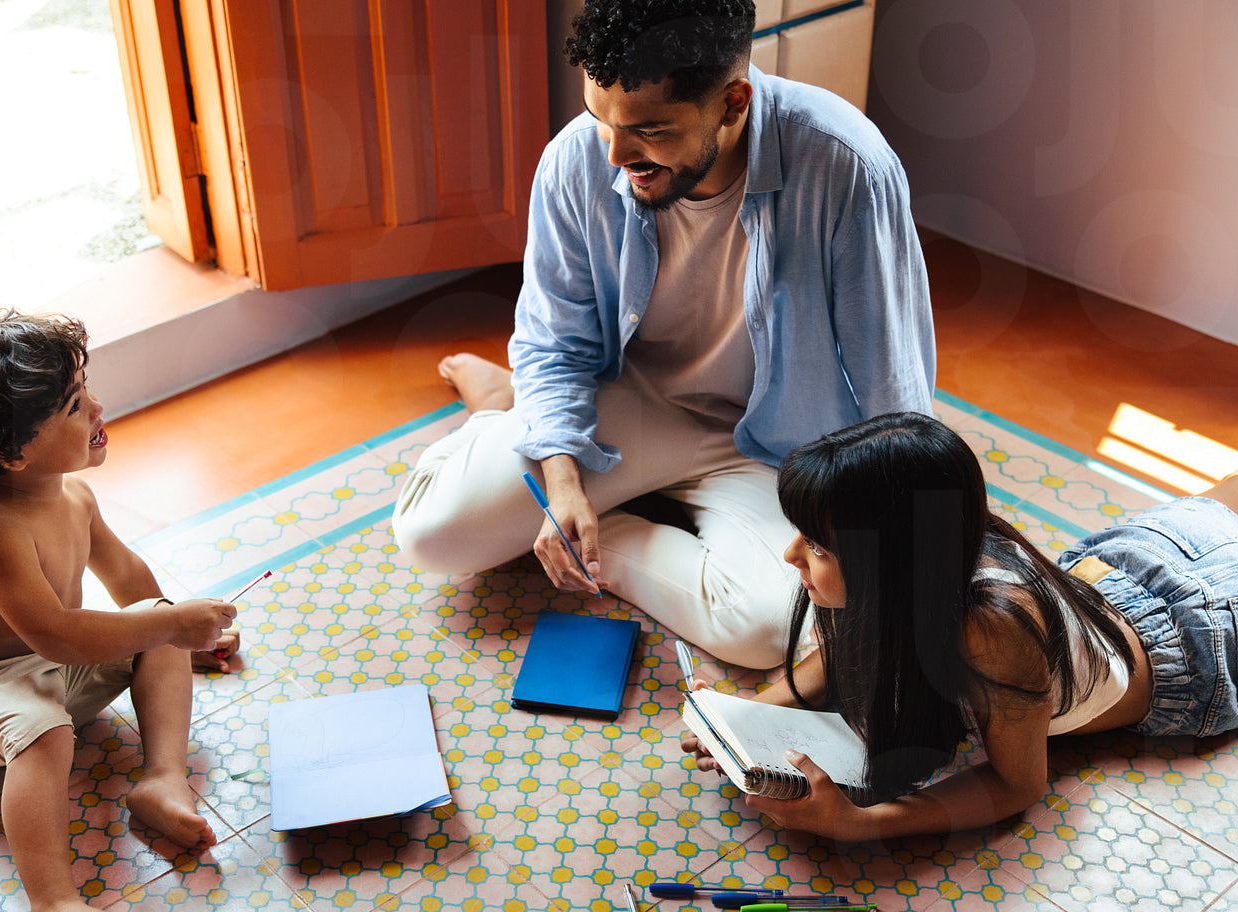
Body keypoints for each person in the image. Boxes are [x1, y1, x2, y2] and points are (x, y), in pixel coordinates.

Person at [392, 0, 935, 668]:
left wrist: (902, 544)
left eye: (648, 130)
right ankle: (507, 414)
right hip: (628, 401)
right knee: (430, 535)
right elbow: (556, 344)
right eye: (601, 119)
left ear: (733, 103)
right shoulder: (575, 161)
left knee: (770, 629)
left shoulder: (846, 166)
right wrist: (562, 484)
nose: (615, 154)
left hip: (772, 449)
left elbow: (894, 389)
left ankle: (593, 503)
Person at [683, 411, 1238, 840]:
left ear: (890, 558)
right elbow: (837, 660)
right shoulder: (929, 554)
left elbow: (1015, 785)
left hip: (1218, 646)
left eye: (816, 545)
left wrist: (860, 824)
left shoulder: (990, 629)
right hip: (1133, 559)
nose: (791, 555)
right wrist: (741, 721)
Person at [0, 309, 240, 912]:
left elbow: (129, 582)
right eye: (74, 407)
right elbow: (58, 635)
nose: (97, 409)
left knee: (157, 618)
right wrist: (169, 625)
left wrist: (180, 632)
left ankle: (162, 780)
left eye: (85, 393)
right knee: (45, 729)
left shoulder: (75, 496)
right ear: (15, 453)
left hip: (50, 668)